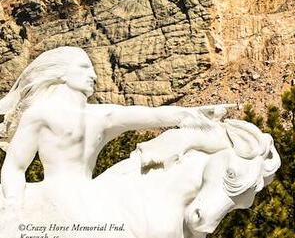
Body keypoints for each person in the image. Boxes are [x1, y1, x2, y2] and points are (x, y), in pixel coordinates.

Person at [0, 46, 227, 208]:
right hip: (51, 197)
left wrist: (193, 114)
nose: (94, 76)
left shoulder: (102, 115)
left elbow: (153, 114)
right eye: (84, 67)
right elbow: (14, 168)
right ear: (61, 72)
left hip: (89, 195)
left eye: (93, 70)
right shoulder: (40, 114)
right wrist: (12, 206)